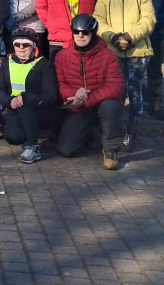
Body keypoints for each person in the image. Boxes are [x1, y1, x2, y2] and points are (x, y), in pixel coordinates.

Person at [93, 0, 156, 151]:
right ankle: (113, 130)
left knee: (134, 90)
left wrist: (130, 36)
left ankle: (132, 131)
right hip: (113, 50)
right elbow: (98, 20)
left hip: (137, 50)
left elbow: (148, 20)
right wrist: (112, 37)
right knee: (115, 91)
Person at [54, 14, 126, 169]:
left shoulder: (108, 55)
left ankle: (110, 150)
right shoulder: (61, 56)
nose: (80, 36)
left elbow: (116, 85)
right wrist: (73, 94)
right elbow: (60, 85)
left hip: (101, 104)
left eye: (85, 32)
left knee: (110, 106)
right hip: (79, 109)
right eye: (76, 32)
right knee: (66, 150)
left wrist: (88, 98)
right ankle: (93, 133)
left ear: (93, 33)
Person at [0, 28, 59, 163]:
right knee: (13, 137)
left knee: (26, 106)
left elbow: (51, 95)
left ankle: (32, 147)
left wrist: (25, 98)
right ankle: (28, 134)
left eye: (26, 44)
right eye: (18, 44)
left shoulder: (44, 65)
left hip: (39, 111)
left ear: (34, 46)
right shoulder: (6, 63)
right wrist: (9, 101)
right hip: (14, 109)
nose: (21, 47)